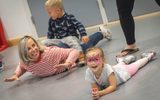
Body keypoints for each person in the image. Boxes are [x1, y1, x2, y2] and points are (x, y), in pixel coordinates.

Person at [43, 0, 112, 65]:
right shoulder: (51, 21)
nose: (49, 15)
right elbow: (50, 33)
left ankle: (80, 55)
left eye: (49, 12)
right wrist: (49, 41)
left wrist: (83, 35)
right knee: (45, 42)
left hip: (72, 39)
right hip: (61, 41)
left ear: (58, 10)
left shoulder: (69, 17)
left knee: (71, 40)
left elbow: (79, 25)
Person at [85, 47, 156, 99]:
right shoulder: (89, 71)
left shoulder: (107, 68)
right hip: (116, 68)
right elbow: (95, 88)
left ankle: (147, 57)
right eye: (90, 60)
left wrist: (100, 93)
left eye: (96, 59)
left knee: (136, 65)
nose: (93, 63)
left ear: (103, 60)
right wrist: (96, 93)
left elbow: (113, 86)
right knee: (119, 65)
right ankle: (125, 60)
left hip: (123, 72)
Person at [4, 35, 80, 82]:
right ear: (24, 53)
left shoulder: (51, 53)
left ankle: (71, 38)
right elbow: (21, 66)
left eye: (34, 45)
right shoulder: (26, 62)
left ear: (36, 44)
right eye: (29, 49)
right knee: (47, 42)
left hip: (69, 53)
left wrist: (68, 63)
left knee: (84, 46)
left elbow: (75, 51)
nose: (33, 49)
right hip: (52, 48)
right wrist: (16, 74)